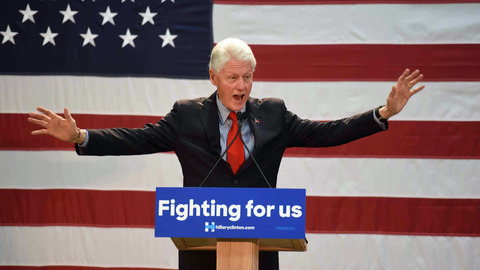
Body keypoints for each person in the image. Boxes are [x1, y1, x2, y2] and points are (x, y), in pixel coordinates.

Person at [28, 38, 424, 269]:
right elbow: (136, 139)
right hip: (201, 253)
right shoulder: (185, 116)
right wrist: (80, 135)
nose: (242, 86)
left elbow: (328, 133)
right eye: (233, 77)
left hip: (261, 251)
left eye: (248, 77)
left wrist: (383, 113)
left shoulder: (273, 113)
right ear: (213, 77)